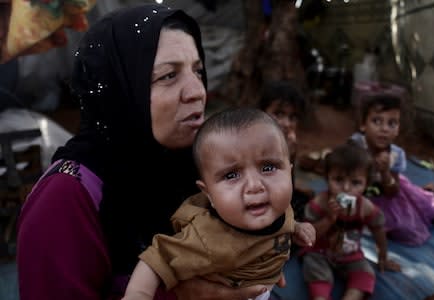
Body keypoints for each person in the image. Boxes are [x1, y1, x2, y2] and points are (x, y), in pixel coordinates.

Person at [16, 4, 280, 300]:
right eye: (168, 76)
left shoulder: (195, 169)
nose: (197, 91)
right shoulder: (64, 200)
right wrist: (179, 295)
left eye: (198, 71)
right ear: (119, 90)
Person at [122, 107, 316, 300]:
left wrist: (297, 228)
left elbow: (284, 219)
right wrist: (138, 293)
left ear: (289, 173)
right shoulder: (207, 238)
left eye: (268, 167)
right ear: (209, 194)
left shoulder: (276, 205)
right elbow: (157, 259)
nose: (255, 186)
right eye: (231, 175)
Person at [301, 143, 401, 300]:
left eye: (355, 183)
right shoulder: (319, 203)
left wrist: (383, 256)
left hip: (350, 255)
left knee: (366, 274)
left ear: (366, 184)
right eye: (338, 180)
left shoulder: (365, 208)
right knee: (316, 272)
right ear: (327, 178)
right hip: (320, 253)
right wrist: (329, 219)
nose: (346, 188)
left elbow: (378, 229)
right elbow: (308, 236)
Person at [350, 94, 434, 246]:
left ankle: (427, 194)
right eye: (377, 121)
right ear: (363, 125)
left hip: (389, 197)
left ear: (398, 129)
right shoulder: (354, 146)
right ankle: (425, 191)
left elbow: (393, 192)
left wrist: (384, 173)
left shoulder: (396, 155)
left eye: (392, 123)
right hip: (359, 196)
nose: (384, 129)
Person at [257, 80, 312, 221]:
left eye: (292, 117)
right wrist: (284, 158)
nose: (287, 123)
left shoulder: (286, 144)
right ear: (261, 113)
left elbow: (288, 186)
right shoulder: (253, 142)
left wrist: (290, 157)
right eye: (279, 114)